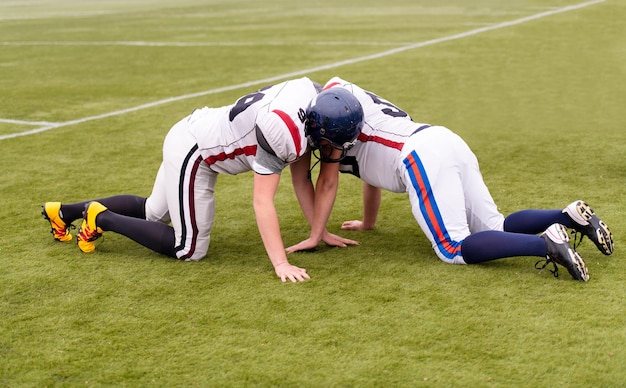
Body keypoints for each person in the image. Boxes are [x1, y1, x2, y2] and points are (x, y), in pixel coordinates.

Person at [288, 76, 614, 281]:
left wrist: (317, 235)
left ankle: (545, 243)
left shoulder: (332, 126)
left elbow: (328, 181)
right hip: (444, 138)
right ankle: (567, 217)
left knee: (452, 247)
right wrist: (368, 223)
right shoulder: (346, 100)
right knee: (494, 226)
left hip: (420, 156)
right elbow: (370, 175)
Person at [41, 77, 358, 283]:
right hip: (198, 152)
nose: (334, 150)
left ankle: (64, 212)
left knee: (153, 212)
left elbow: (302, 179)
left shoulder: (316, 102)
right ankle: (102, 218)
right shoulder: (283, 132)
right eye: (331, 141)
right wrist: (280, 264)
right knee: (189, 248)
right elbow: (262, 200)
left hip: (193, 129)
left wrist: (319, 232)